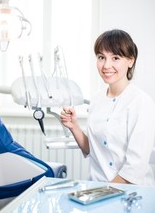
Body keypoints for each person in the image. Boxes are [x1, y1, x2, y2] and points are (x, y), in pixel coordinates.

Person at [60, 29, 155, 185]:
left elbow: (134, 168)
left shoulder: (141, 103)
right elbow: (92, 150)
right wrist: (74, 126)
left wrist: (101, 193)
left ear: (131, 61)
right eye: (101, 57)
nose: (106, 65)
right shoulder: (97, 99)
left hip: (131, 194)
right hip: (99, 187)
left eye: (115, 58)